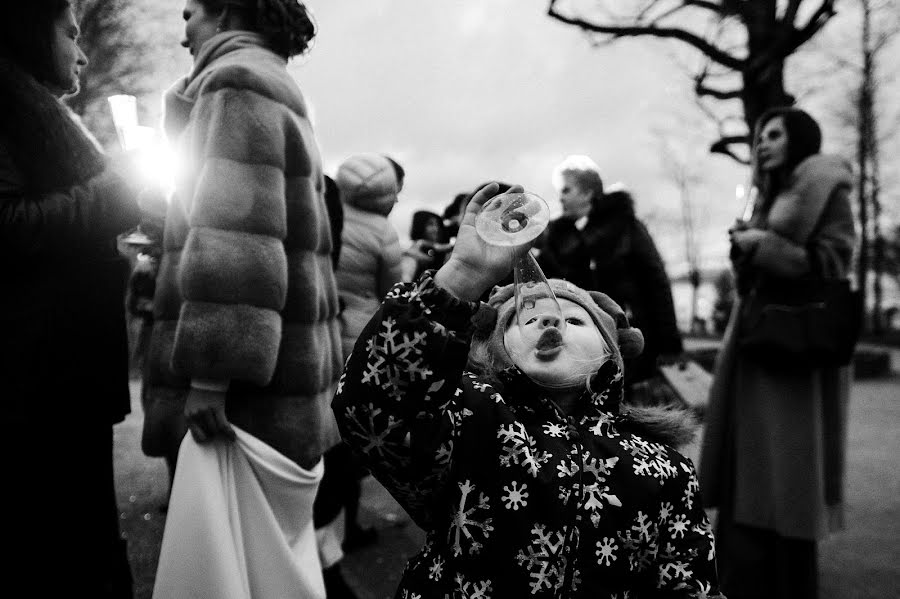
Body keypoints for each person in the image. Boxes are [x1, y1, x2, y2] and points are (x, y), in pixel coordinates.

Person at [333, 182, 724, 598]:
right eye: (527, 318)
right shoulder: (467, 422)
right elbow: (368, 409)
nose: (551, 322)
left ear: (612, 354)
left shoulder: (664, 467)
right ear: (499, 350)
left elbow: (689, 583)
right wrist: (463, 275)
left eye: (574, 322)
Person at [144, 1, 341, 597]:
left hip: (242, 404)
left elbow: (240, 238)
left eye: (190, 14)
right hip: (281, 392)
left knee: (232, 576)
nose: (184, 33)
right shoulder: (272, 86)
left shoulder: (235, 84)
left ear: (226, 9)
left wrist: (212, 372)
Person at [0, 1, 140, 595]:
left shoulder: (32, 107)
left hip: (62, 370)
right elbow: (8, 225)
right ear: (32, 33)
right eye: (69, 33)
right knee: (61, 547)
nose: (82, 51)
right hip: (36, 379)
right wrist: (115, 192)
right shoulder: (7, 108)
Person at [699, 107, 856, 599]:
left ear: (799, 139)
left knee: (786, 465)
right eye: (758, 136)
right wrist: (744, 248)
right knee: (749, 459)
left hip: (795, 348)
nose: (761, 143)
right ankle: (740, 573)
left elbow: (834, 261)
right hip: (756, 339)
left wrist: (761, 244)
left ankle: (781, 578)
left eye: (773, 134)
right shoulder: (768, 195)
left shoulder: (825, 187)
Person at [537, 156, 684, 399]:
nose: (560, 197)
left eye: (566, 190)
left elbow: (656, 282)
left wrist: (670, 343)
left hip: (632, 337)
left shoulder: (626, 227)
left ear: (587, 193)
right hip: (584, 344)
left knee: (634, 408)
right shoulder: (560, 238)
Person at [401, 209, 452, 281]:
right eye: (430, 224)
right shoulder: (412, 251)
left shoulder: (444, 253)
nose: (436, 229)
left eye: (437, 225)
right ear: (420, 225)